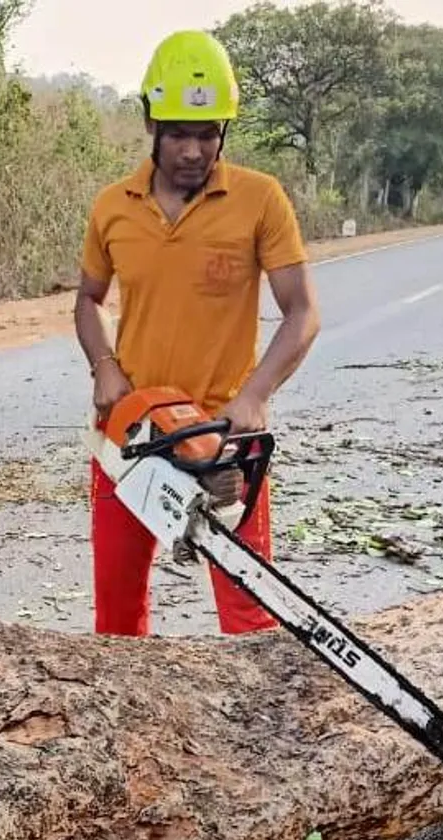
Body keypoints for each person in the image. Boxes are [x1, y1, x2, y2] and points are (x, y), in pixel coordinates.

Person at [74, 29, 322, 638]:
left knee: (249, 615)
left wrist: (256, 394)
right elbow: (87, 298)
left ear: (224, 131)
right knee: (118, 613)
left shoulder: (260, 200)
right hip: (130, 435)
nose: (192, 150)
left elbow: (302, 313)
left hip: (222, 438)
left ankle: (259, 727)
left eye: (207, 133)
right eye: (179, 133)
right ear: (152, 123)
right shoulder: (113, 206)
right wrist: (103, 362)